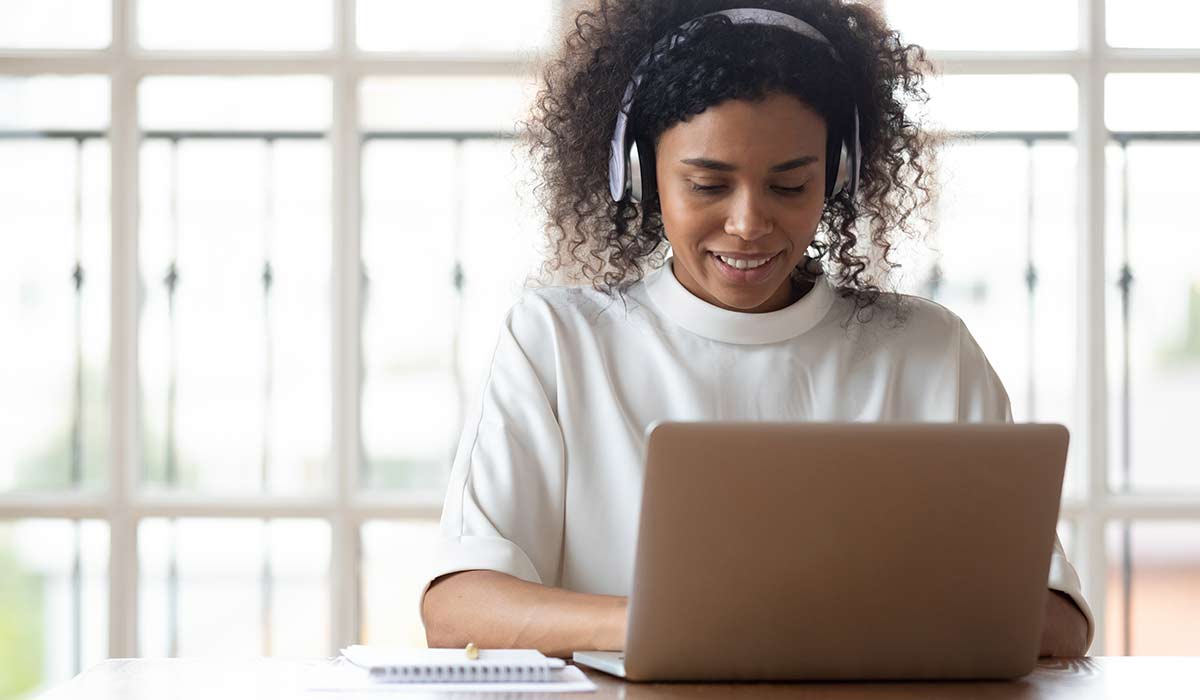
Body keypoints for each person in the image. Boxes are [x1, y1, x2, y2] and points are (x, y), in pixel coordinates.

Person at [420, 0, 1093, 659]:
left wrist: (809, 627)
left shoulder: (927, 351)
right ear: (638, 173)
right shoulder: (559, 342)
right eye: (708, 186)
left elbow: (1059, 623)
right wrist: (673, 625)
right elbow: (458, 609)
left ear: (839, 176)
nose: (749, 223)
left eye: (790, 186)